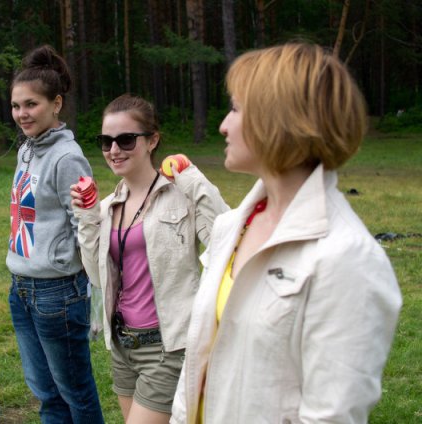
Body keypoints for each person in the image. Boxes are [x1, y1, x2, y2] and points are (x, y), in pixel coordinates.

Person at [170, 43, 402, 424]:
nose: (223, 125)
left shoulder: (348, 258)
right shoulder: (232, 226)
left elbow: (330, 417)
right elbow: (199, 363)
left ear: (278, 119)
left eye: (236, 109)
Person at [71, 94, 229, 424]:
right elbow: (97, 277)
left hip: (167, 346)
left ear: (152, 140)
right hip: (123, 345)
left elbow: (224, 239)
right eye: (106, 141)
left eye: (126, 139)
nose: (114, 150)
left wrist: (192, 178)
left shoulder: (181, 193)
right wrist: (87, 217)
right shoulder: (108, 206)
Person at [6, 45, 104, 424]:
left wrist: (94, 287)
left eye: (31, 104)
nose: (22, 114)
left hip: (57, 292)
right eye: (16, 106)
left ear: (56, 103)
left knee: (74, 391)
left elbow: (86, 226)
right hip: (21, 287)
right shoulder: (27, 150)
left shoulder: (67, 157)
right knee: (45, 392)